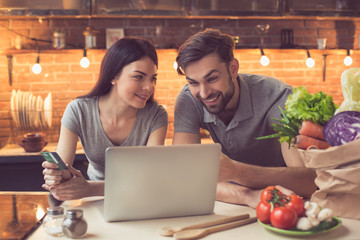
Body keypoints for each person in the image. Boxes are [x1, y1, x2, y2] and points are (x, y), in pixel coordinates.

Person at [173, 28, 317, 208]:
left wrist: (237, 172)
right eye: (193, 82)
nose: (203, 93)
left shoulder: (278, 99)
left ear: (233, 69)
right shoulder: (188, 100)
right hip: (236, 201)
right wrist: (248, 195)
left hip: (286, 200)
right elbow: (186, 175)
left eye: (212, 78)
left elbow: (309, 181)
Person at [42, 37, 168, 201]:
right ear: (113, 76)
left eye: (153, 78)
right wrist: (57, 176)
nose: (149, 87)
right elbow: (64, 168)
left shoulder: (156, 116)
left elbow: (150, 179)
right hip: (93, 200)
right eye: (139, 77)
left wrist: (89, 188)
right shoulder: (78, 110)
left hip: (138, 199)